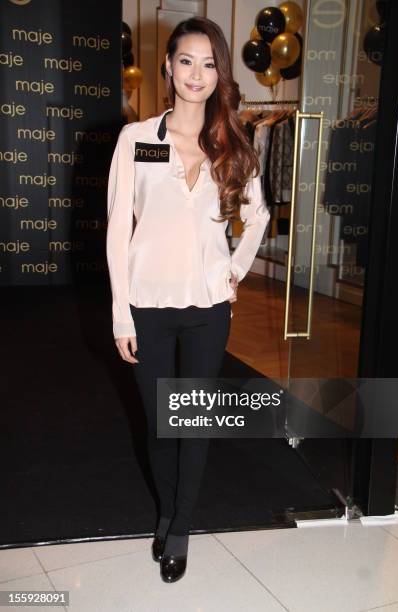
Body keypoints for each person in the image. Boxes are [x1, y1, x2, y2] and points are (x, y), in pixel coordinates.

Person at [106, 16, 270, 583]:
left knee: (192, 424)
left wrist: (232, 274)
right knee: (159, 426)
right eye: (185, 61)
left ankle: (180, 526)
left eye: (208, 62)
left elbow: (259, 217)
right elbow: (116, 229)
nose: (196, 73)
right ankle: (168, 507)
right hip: (147, 307)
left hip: (206, 311)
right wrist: (120, 311)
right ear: (168, 67)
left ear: (219, 71)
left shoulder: (231, 143)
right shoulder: (138, 140)